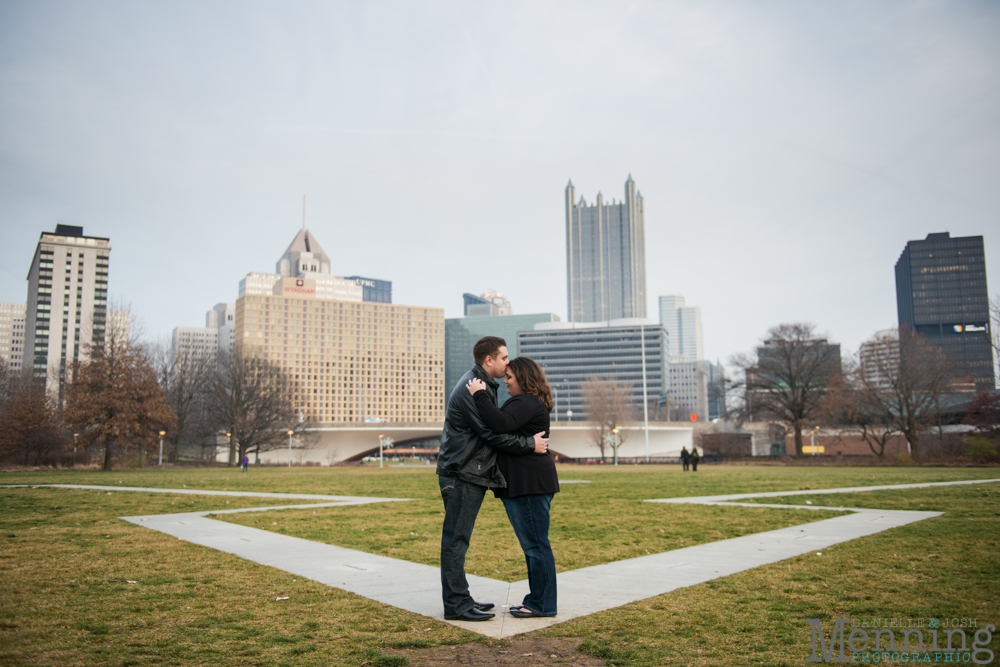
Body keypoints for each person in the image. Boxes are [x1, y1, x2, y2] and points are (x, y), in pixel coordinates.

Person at [437, 336, 549, 622]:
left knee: (459, 539)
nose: (507, 362)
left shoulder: (482, 385)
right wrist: (529, 445)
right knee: (456, 540)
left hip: (468, 471)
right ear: (489, 360)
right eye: (504, 358)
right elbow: (492, 433)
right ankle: (457, 605)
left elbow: (493, 426)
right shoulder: (473, 387)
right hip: (462, 473)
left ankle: (461, 598)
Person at [466, 356, 558, 618]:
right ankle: (538, 600)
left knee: (536, 546)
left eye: (510, 377)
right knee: (535, 545)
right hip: (529, 483)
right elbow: (505, 429)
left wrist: (479, 394)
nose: (505, 381)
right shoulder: (529, 402)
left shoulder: (525, 401)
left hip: (529, 484)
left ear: (523, 378)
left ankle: (542, 604)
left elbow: (500, 424)